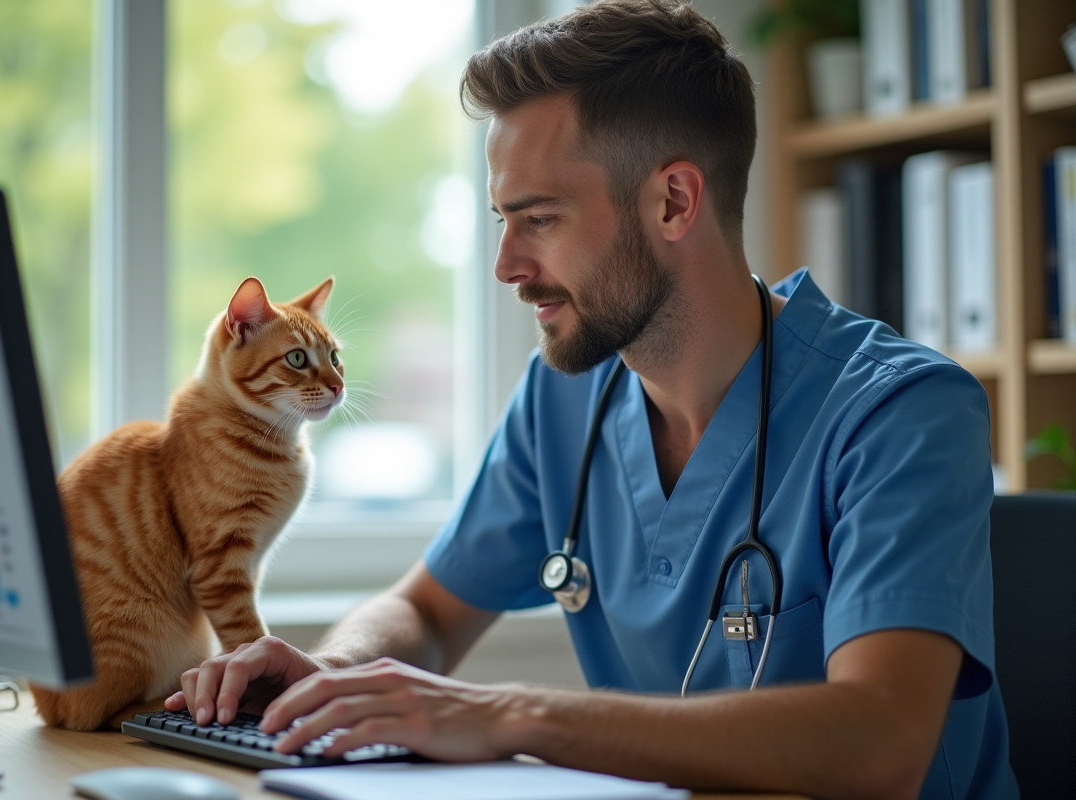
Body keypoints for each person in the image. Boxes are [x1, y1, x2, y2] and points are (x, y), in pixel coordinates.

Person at [168, 2, 1016, 797]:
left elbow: (882, 741)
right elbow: (424, 610)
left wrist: (509, 715)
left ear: (674, 202)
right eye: (501, 219)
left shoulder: (905, 412)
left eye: (538, 219)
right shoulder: (565, 395)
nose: (505, 265)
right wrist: (339, 673)